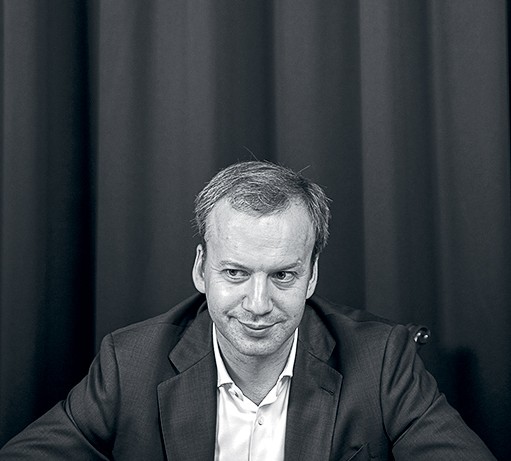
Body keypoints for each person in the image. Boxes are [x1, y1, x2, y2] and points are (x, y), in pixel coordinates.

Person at [0, 161, 495, 460]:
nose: (258, 305)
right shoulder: (129, 362)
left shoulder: (382, 360)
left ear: (312, 276)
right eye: (235, 273)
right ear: (201, 270)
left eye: (282, 276)